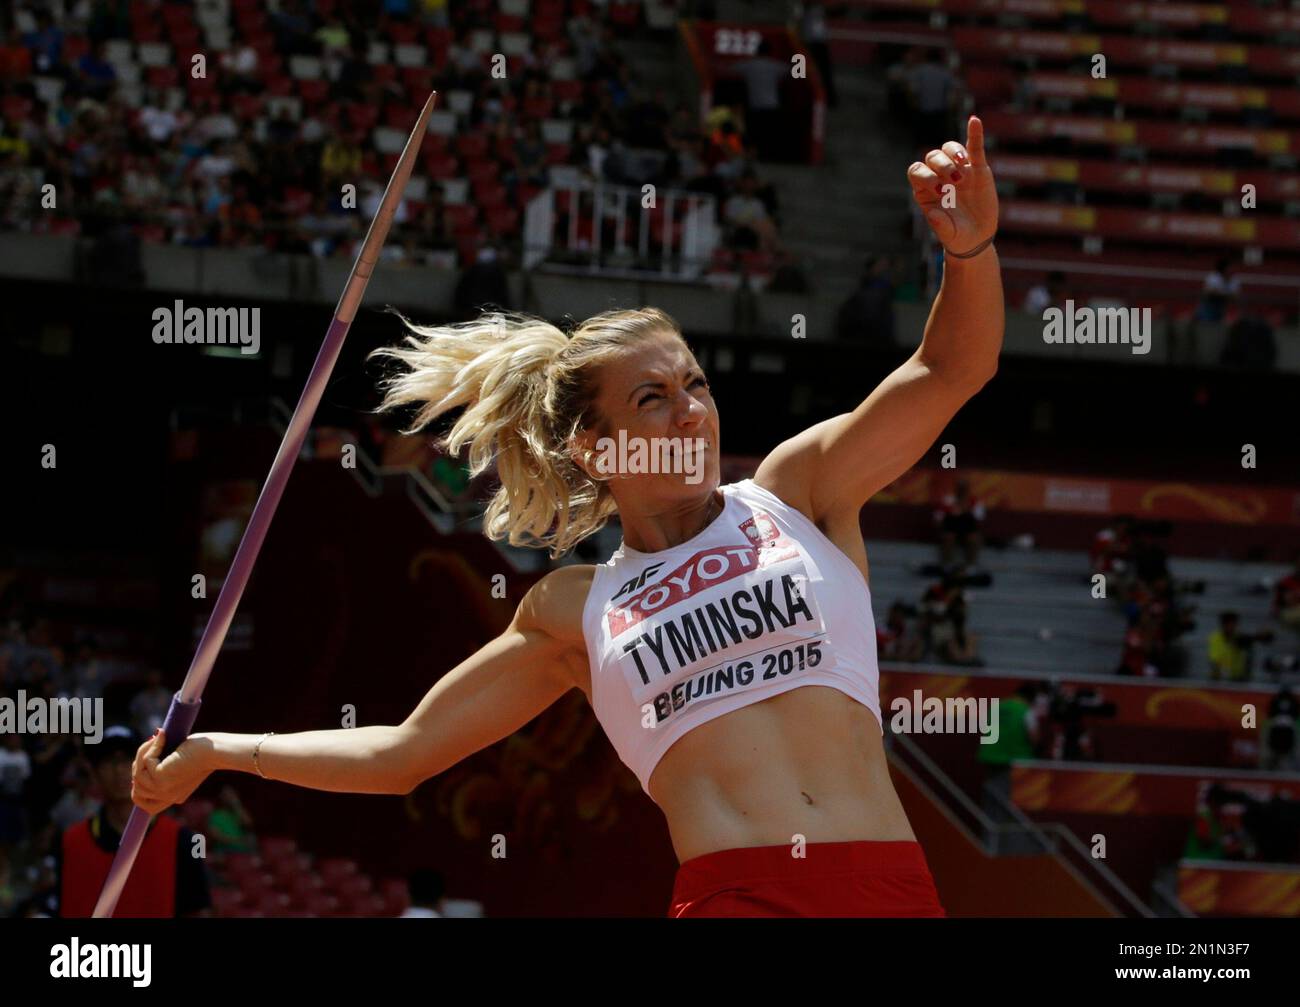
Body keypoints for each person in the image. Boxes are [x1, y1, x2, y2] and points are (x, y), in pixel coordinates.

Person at [130, 119, 1003, 917]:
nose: (691, 412)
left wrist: (970, 253)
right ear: (594, 447)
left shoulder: (797, 490)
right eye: (653, 398)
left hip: (890, 887)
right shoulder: (571, 610)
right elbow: (398, 753)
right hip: (735, 898)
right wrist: (213, 750)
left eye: (696, 383)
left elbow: (950, 370)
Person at [55, 726, 211, 917]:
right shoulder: (70, 842)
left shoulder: (184, 840)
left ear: (146, 766)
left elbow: (198, 911)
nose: (119, 770)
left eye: (128, 759)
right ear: (94, 773)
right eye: (109, 761)